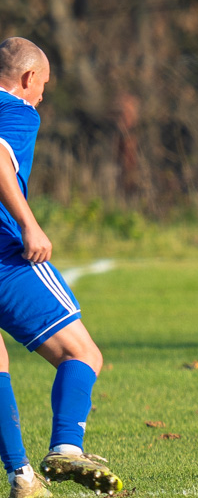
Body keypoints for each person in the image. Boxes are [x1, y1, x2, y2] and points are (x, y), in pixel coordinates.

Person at [0, 38, 123, 498]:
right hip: (4, 256)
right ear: (29, 79)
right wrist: (30, 226)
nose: (43, 96)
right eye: (44, 85)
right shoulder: (14, 109)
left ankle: (23, 479)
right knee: (82, 354)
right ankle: (67, 448)